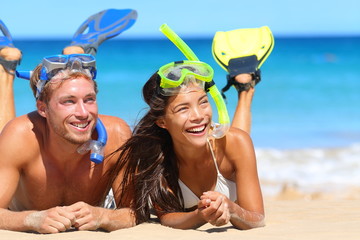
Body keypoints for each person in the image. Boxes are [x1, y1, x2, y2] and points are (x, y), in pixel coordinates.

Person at [108, 25, 267, 230]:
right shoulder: (155, 159)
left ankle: (245, 88)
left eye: (203, 102)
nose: (199, 116)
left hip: (227, 143)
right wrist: (201, 214)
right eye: (183, 108)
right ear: (162, 122)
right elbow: (167, 217)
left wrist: (231, 208)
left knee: (237, 137)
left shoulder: (236, 143)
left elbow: (257, 218)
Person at [0, 10, 137, 234]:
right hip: (19, 140)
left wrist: (102, 215)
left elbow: (133, 212)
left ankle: (75, 55)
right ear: (42, 108)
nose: (83, 112)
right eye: (69, 101)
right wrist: (32, 220)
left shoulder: (117, 134)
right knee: (6, 132)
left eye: (89, 99)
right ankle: (6, 67)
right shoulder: (20, 136)